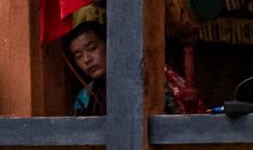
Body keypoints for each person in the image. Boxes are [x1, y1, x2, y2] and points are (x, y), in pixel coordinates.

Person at [65, 21, 204, 116]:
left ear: (110, 44)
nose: (86, 60)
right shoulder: (86, 96)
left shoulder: (149, 74)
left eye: (92, 48)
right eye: (78, 56)